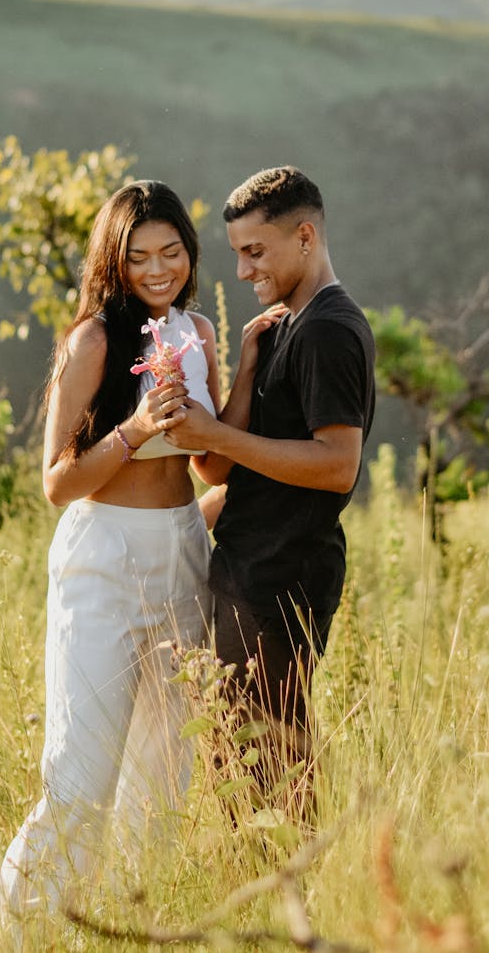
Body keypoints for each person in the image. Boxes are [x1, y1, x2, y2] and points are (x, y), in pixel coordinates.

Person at [0, 180, 221, 951]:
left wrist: (230, 386)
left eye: (172, 251)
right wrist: (138, 427)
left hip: (182, 550)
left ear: (189, 254)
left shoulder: (200, 331)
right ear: (113, 259)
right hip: (102, 559)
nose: (157, 268)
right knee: (79, 781)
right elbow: (56, 481)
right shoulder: (92, 343)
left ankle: (124, 937)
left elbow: (211, 468)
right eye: (139, 255)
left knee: (163, 785)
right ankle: (3, 942)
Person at [167, 165, 375, 763]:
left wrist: (215, 436)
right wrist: (250, 367)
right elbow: (230, 474)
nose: (243, 270)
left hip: (281, 582)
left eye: (255, 251)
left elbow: (338, 465)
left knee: (269, 773)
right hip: (249, 572)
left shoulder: (329, 331)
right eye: (236, 253)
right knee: (238, 762)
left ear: (305, 238)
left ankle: (295, 864)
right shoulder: (287, 329)